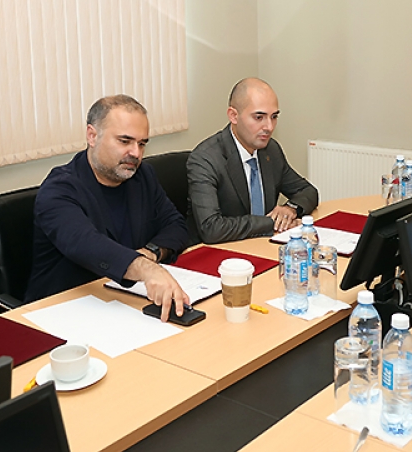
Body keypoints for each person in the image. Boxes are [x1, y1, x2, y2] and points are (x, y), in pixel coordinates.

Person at [28, 95, 190, 319]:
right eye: (125, 141)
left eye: (142, 144)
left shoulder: (142, 176)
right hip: (63, 309)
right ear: (92, 136)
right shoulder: (59, 189)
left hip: (123, 303)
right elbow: (87, 244)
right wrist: (146, 269)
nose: (136, 153)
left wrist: (149, 254)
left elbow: (176, 225)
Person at [188, 78, 319, 244]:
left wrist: (290, 209)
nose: (269, 127)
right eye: (259, 117)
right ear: (233, 116)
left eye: (274, 117)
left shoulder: (270, 150)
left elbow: (307, 191)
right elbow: (211, 228)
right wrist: (272, 223)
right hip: (221, 250)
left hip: (263, 245)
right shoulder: (205, 159)